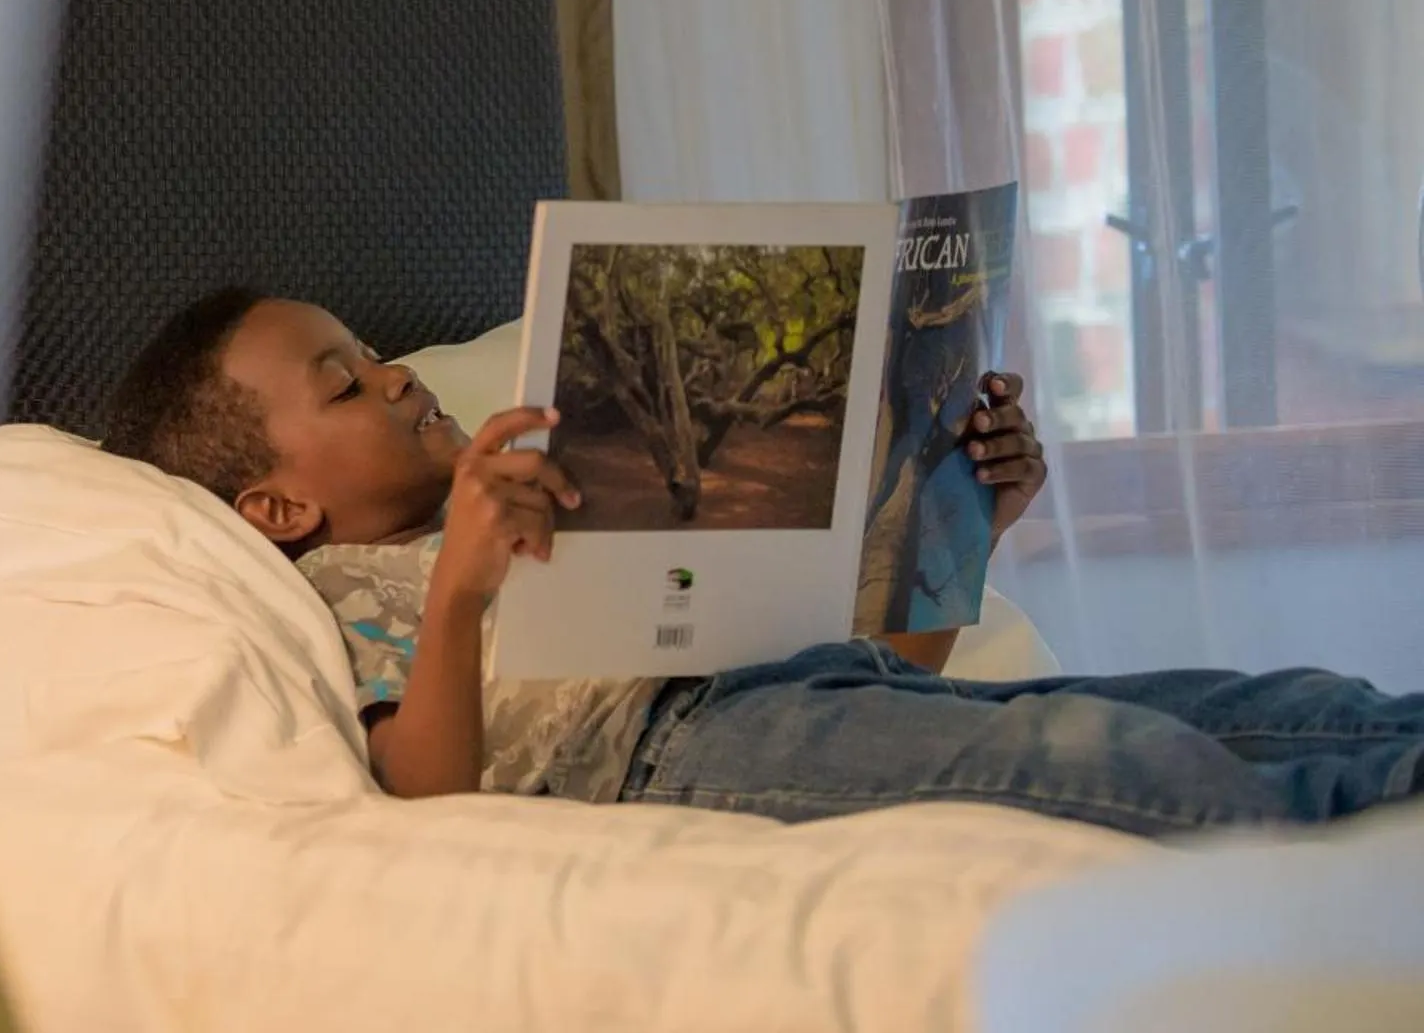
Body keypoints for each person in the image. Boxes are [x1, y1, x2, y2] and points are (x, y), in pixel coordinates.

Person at [102, 287, 1424, 835]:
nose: (393, 379)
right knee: (1085, 768)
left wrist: (970, 519)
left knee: (1209, 702)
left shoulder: (572, 498)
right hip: (668, 760)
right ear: (275, 509)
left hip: (789, 702)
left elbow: (862, 680)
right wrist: (458, 587)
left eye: (378, 356)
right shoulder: (343, 594)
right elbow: (424, 795)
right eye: (344, 387)